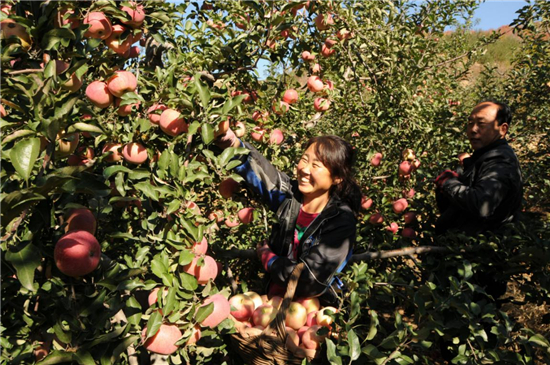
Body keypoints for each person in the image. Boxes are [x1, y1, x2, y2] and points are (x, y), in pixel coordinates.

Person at [216, 129, 362, 306]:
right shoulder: (290, 196)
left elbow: (310, 280)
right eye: (304, 160)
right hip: (274, 303)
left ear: (337, 178)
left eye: (316, 165)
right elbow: (262, 173)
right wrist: (233, 144)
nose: (304, 169)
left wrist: (270, 260)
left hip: (315, 314)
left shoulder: (340, 222)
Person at [434, 99, 523, 236]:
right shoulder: (487, 156)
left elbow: (482, 204)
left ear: (502, 129)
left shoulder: (501, 161)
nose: (473, 130)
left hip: (478, 250)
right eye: (470, 123)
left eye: (481, 124)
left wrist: (448, 183)